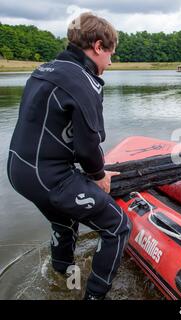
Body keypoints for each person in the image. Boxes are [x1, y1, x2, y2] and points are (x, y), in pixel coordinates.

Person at [6, 12, 131, 300]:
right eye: (111, 53)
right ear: (98, 47)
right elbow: (87, 147)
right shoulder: (83, 81)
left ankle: (62, 280)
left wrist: (91, 174)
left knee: (65, 222)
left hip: (20, 170)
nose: (111, 62)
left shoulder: (46, 69)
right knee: (117, 226)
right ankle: (94, 296)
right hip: (49, 176)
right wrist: (98, 176)